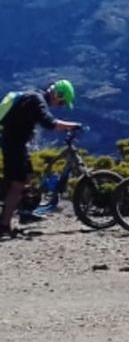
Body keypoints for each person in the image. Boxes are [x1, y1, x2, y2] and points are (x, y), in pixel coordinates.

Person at [0, 80, 82, 238]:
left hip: (14, 143)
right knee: (17, 184)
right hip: (13, 144)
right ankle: (3, 226)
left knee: (26, 175)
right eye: (62, 101)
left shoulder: (34, 97)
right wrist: (73, 125)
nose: (60, 105)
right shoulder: (37, 100)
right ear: (57, 94)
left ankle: (24, 212)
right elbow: (50, 123)